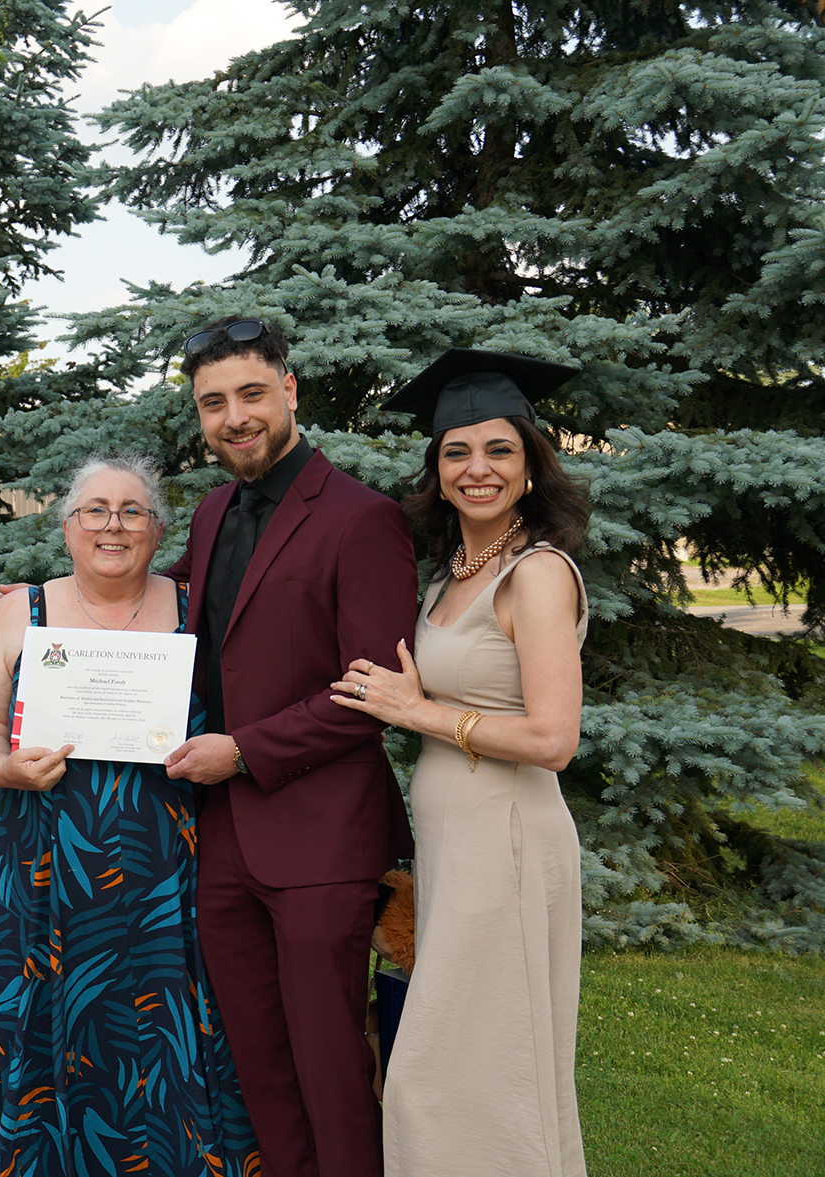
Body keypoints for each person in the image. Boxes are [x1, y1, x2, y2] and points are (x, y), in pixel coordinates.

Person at [158, 316, 420, 1177]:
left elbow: (369, 692)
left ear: (290, 390)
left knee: (332, 1064)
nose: (234, 416)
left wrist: (242, 751)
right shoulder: (210, 512)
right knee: (262, 1063)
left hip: (321, 837)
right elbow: (206, 627)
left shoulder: (362, 519)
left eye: (251, 395)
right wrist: (46, 599)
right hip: (224, 838)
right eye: (213, 402)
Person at [0, 455, 259, 1177]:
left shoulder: (199, 608)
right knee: (52, 1018)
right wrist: (3, 766)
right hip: (44, 863)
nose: (112, 525)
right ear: (66, 525)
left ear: (159, 530)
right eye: (95, 509)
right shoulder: (14, 610)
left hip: (173, 868)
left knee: (174, 1024)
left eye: (132, 510)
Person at [332, 348, 591, 1176]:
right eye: (456, 451)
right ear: (437, 468)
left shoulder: (538, 574)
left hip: (507, 841)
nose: (477, 469)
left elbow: (554, 739)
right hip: (456, 846)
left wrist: (420, 712)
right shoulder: (452, 572)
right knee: (463, 1068)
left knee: (452, 1072)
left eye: (499, 450)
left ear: (530, 463)